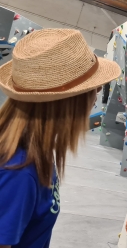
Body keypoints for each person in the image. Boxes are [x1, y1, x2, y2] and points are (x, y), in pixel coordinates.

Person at [0, 29, 120, 248]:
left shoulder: (36, 151)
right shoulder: (19, 171)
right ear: (69, 102)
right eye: (95, 88)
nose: (96, 97)